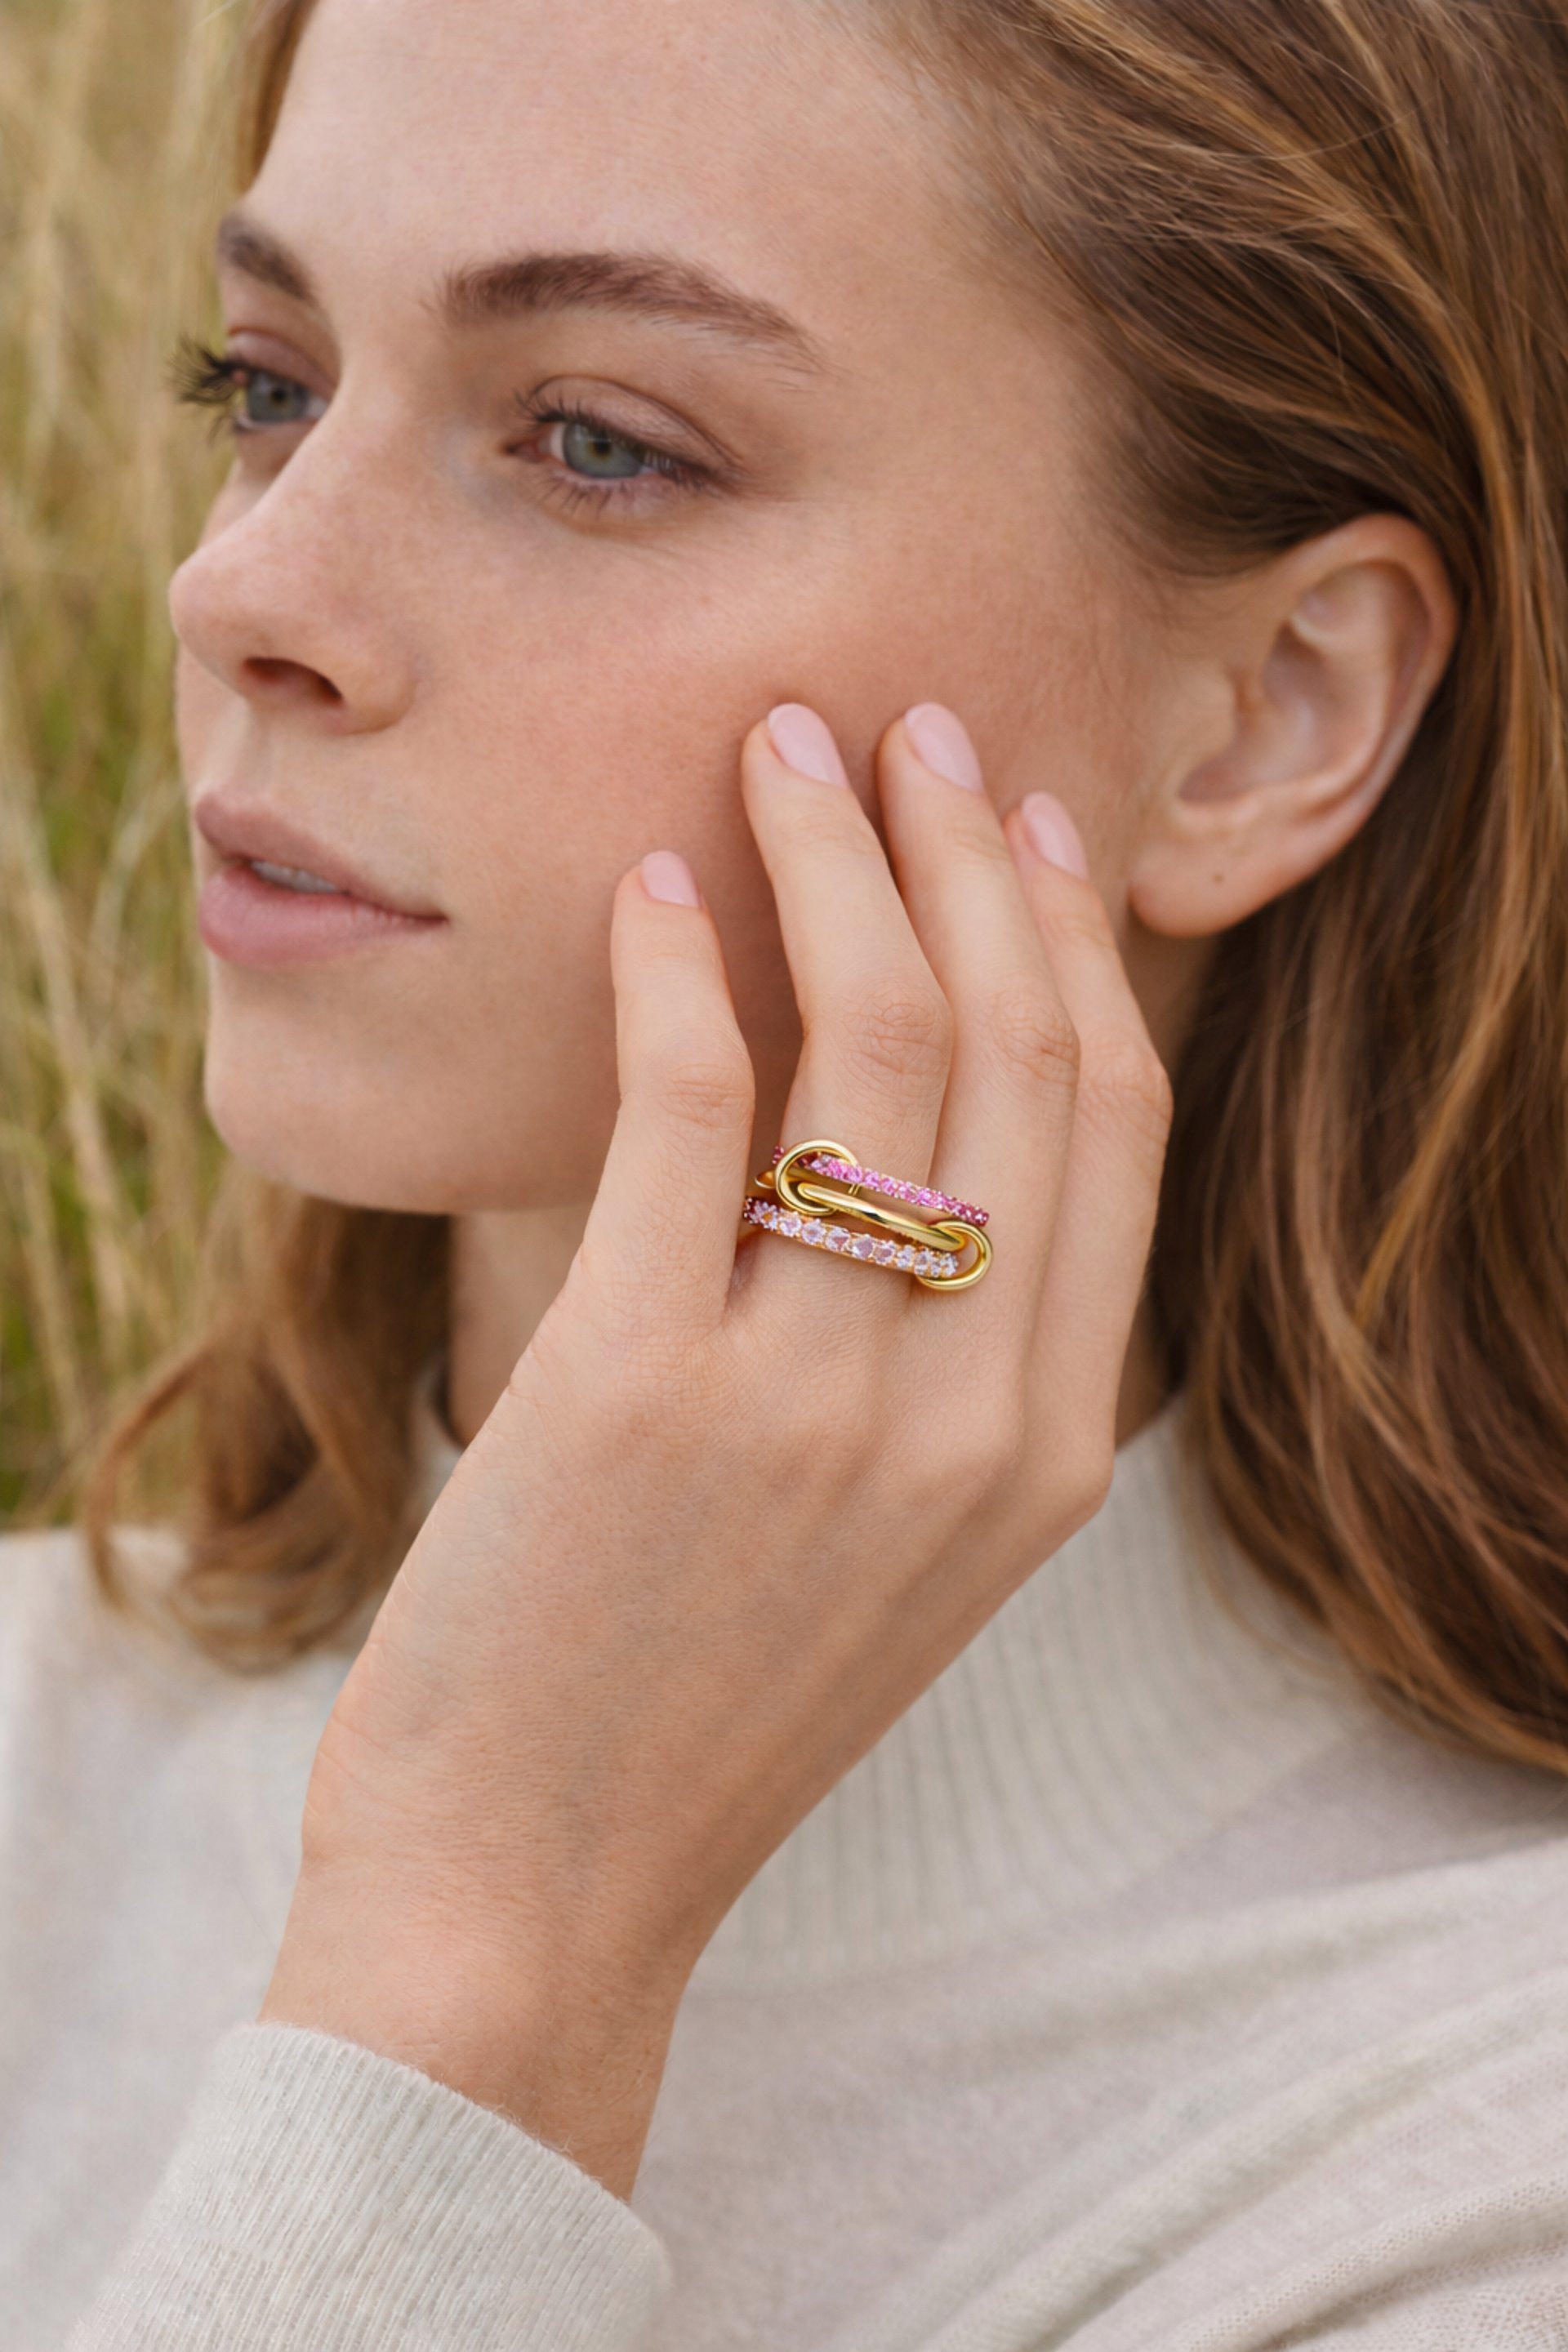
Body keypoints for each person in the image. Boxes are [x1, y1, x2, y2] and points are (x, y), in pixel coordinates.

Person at [6, 0, 1568, 2341]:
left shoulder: (1463, 2155)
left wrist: (486, 1964)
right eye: (269, 383)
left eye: (601, 441)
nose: (244, 593)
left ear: (1273, 714)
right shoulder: (38, 1744)